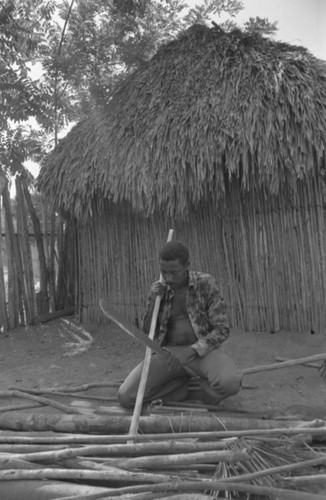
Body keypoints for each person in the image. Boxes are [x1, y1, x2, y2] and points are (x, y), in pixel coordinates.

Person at [118, 241, 242, 408]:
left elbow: (222, 329)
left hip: (202, 352)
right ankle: (180, 391)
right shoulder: (159, 290)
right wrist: (155, 300)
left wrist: (193, 350)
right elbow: (148, 331)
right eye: (164, 272)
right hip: (169, 354)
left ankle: (196, 392)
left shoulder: (205, 283)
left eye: (174, 272)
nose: (169, 278)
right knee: (126, 396)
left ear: (187, 266)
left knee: (230, 382)